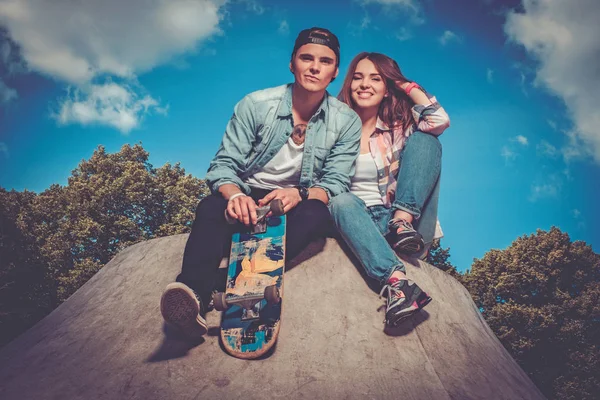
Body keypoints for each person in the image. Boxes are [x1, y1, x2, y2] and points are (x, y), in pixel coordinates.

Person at [160, 28, 362, 338]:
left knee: (318, 213)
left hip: (297, 200)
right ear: (291, 63)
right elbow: (224, 165)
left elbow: (334, 181)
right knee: (211, 206)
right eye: (306, 58)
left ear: (335, 72)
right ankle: (194, 297)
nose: (314, 67)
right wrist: (235, 196)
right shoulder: (256, 104)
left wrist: (301, 193)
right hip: (248, 191)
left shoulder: (346, 121)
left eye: (325, 61)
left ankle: (230, 279)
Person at [329, 52, 450, 326]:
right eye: (357, 78)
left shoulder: (398, 128)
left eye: (376, 78)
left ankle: (402, 223)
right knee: (342, 202)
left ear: (387, 88)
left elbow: (438, 121)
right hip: (352, 220)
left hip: (392, 217)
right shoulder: (332, 131)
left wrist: (405, 85)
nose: (364, 84)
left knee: (426, 141)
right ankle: (399, 285)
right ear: (348, 85)